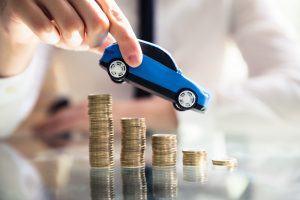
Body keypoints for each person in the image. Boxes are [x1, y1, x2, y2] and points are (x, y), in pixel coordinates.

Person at [1, 0, 300, 139]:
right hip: (90, 177)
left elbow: (295, 91)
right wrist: (11, 41)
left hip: (199, 180)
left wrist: (158, 114)